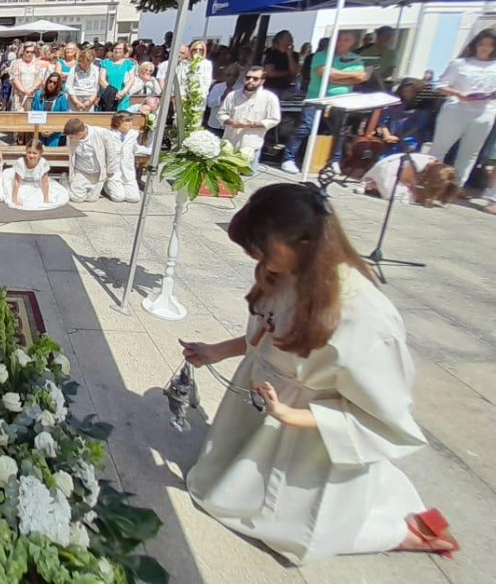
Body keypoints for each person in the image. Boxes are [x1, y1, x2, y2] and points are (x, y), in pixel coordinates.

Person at [183, 183, 457, 564]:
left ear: (305, 244)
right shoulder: (281, 271)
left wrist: (291, 415)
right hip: (266, 404)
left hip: (306, 430)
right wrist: (217, 352)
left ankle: (403, 533)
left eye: (262, 251)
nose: (256, 260)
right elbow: (266, 334)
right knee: (222, 485)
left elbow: (380, 412)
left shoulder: (364, 316)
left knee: (284, 524)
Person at [281, 31, 367, 174]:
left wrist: (336, 75)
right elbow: (326, 74)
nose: (341, 42)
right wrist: (347, 75)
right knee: (305, 128)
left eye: (346, 39)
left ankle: (334, 161)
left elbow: (361, 77)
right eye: (339, 39)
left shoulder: (355, 58)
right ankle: (288, 158)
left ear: (352, 43)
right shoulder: (321, 56)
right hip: (316, 99)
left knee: (338, 131)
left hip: (340, 101)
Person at [429, 29, 496, 185]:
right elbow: (440, 85)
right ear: (475, 44)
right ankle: (430, 182)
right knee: (439, 148)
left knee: (469, 153)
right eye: (482, 44)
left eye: (490, 45)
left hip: (484, 111)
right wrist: (459, 94)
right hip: (456, 110)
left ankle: (455, 187)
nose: (485, 48)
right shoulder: (460, 64)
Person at [218, 66, 281, 170]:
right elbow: (221, 114)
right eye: (248, 77)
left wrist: (251, 124)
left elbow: (274, 119)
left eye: (255, 79)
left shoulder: (270, 98)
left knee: (246, 177)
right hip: (230, 144)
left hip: (251, 146)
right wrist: (232, 122)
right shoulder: (232, 95)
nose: (250, 81)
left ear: (262, 81)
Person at [362, 153, 459, 207]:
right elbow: (404, 177)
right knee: (405, 198)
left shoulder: (435, 165)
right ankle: (375, 186)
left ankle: (375, 186)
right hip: (390, 172)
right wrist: (414, 187)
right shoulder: (417, 164)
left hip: (400, 173)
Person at [3, 138, 69, 211]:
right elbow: (16, 181)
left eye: (35, 153)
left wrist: (46, 199)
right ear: (26, 152)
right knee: (22, 197)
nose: (31, 155)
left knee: (40, 197)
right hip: (23, 183)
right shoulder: (20, 162)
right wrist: (14, 199)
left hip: (36, 183)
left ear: (40, 153)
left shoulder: (42, 163)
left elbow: (45, 182)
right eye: (29, 152)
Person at [64, 117, 117, 202]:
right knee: (76, 199)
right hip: (81, 171)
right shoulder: (72, 136)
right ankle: (66, 181)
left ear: (80, 133)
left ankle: (98, 188)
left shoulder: (101, 133)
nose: (70, 139)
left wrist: (110, 170)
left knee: (92, 199)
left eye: (72, 137)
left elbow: (111, 152)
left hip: (97, 172)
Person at [104, 112, 141, 203]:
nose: (130, 123)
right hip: (113, 171)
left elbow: (136, 148)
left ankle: (124, 186)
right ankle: (106, 185)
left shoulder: (133, 134)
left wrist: (151, 151)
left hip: (127, 171)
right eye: (127, 121)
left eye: (131, 121)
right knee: (118, 197)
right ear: (118, 123)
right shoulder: (109, 134)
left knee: (134, 198)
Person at [30, 72, 69, 145]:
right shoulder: (38, 94)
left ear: (58, 85)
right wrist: (40, 130)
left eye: (55, 83)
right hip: (39, 130)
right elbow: (33, 113)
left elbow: (64, 117)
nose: (51, 84)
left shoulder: (61, 97)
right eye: (50, 81)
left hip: (55, 132)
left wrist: (53, 130)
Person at [99, 41, 137, 111]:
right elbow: (101, 80)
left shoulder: (129, 63)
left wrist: (122, 93)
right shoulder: (106, 62)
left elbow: (131, 79)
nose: (117, 50)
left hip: (122, 96)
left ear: (124, 51)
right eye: (116, 48)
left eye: (120, 49)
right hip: (108, 96)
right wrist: (113, 93)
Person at [10, 44, 45, 111]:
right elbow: (15, 78)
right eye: (27, 51)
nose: (29, 54)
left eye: (32, 52)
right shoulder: (16, 63)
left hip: (33, 95)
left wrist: (31, 89)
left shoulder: (37, 64)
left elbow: (40, 78)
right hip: (19, 96)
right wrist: (24, 90)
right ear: (23, 51)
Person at [263, 30, 299, 95]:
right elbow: (270, 73)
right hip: (272, 86)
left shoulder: (295, 55)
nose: (291, 40)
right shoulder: (271, 53)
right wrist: (288, 73)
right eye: (288, 38)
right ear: (280, 40)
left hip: (287, 86)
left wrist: (289, 55)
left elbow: (294, 72)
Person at [66, 45, 101, 111]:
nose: (86, 65)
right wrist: (76, 102)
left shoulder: (95, 69)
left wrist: (89, 101)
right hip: (75, 97)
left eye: (88, 63)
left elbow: (96, 88)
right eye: (84, 63)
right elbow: (69, 86)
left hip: (89, 99)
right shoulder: (73, 69)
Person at [204, 66, 237, 136]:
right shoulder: (217, 87)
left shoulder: (240, 89)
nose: (231, 78)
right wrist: (222, 97)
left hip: (230, 127)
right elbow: (209, 104)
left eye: (234, 75)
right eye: (229, 75)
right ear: (225, 75)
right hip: (214, 124)